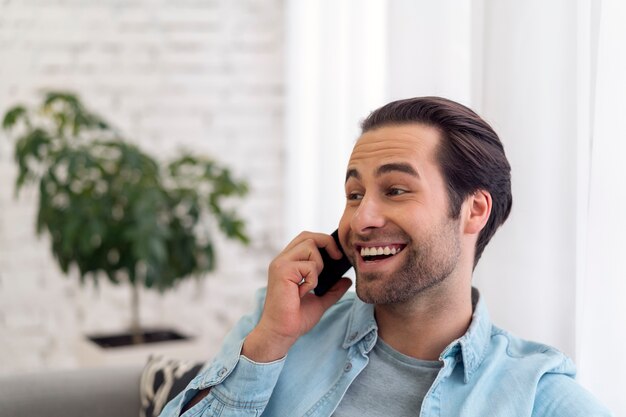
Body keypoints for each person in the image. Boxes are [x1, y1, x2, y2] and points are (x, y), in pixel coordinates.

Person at [159, 97, 611, 416]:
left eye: (395, 190)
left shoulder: (534, 393)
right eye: (354, 194)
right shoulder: (275, 327)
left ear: (473, 210)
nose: (362, 218)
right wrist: (270, 342)